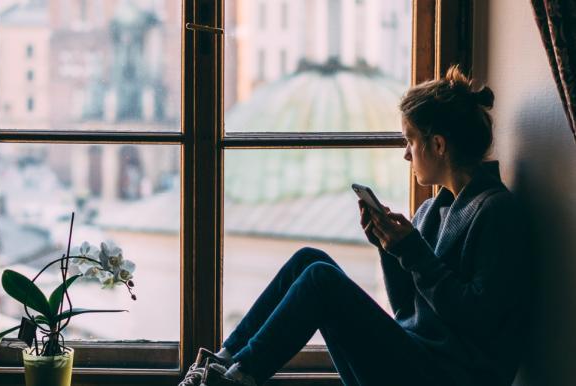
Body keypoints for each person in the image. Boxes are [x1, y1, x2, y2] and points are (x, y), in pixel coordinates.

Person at [178, 65, 529, 386]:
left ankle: (241, 379)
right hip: (418, 359)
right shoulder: (430, 211)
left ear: (437, 145)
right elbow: (407, 311)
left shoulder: (496, 211)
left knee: (320, 279)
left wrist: (413, 252)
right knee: (308, 259)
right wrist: (388, 248)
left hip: (451, 375)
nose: (406, 154)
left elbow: (478, 319)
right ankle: (224, 363)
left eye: (410, 141)